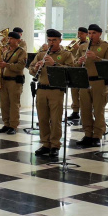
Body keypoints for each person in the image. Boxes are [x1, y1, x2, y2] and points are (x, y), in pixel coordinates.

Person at [31, 29, 74, 157]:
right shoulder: (41, 54)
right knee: (42, 119)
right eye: (49, 40)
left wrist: (54, 64)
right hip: (41, 89)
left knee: (55, 120)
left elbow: (71, 70)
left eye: (54, 40)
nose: (51, 43)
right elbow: (31, 69)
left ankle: (55, 145)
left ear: (60, 40)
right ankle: (45, 144)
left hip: (56, 90)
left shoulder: (66, 55)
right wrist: (36, 68)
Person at [76, 24, 108, 147]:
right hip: (84, 81)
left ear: (100, 34)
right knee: (85, 110)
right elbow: (74, 62)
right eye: (89, 33)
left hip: (99, 81)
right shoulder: (83, 46)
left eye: (94, 33)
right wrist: (78, 62)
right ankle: (88, 134)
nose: (91, 35)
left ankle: (97, 135)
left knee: (99, 110)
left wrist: (97, 58)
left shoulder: (106, 46)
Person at [0, 31, 27, 135]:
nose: (9, 40)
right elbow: (2, 64)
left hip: (14, 81)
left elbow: (20, 66)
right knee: (4, 103)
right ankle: (6, 124)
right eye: (8, 39)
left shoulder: (21, 52)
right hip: (4, 80)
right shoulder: (6, 52)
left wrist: (7, 65)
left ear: (18, 40)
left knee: (14, 104)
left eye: (11, 39)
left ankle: (13, 125)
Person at [68, 26, 90, 121]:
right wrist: (72, 47)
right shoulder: (76, 44)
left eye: (81, 33)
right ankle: (75, 111)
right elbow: (70, 54)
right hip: (74, 69)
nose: (79, 35)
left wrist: (78, 49)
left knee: (83, 93)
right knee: (74, 91)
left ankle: (84, 112)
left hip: (83, 71)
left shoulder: (88, 44)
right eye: (78, 33)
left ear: (86, 34)